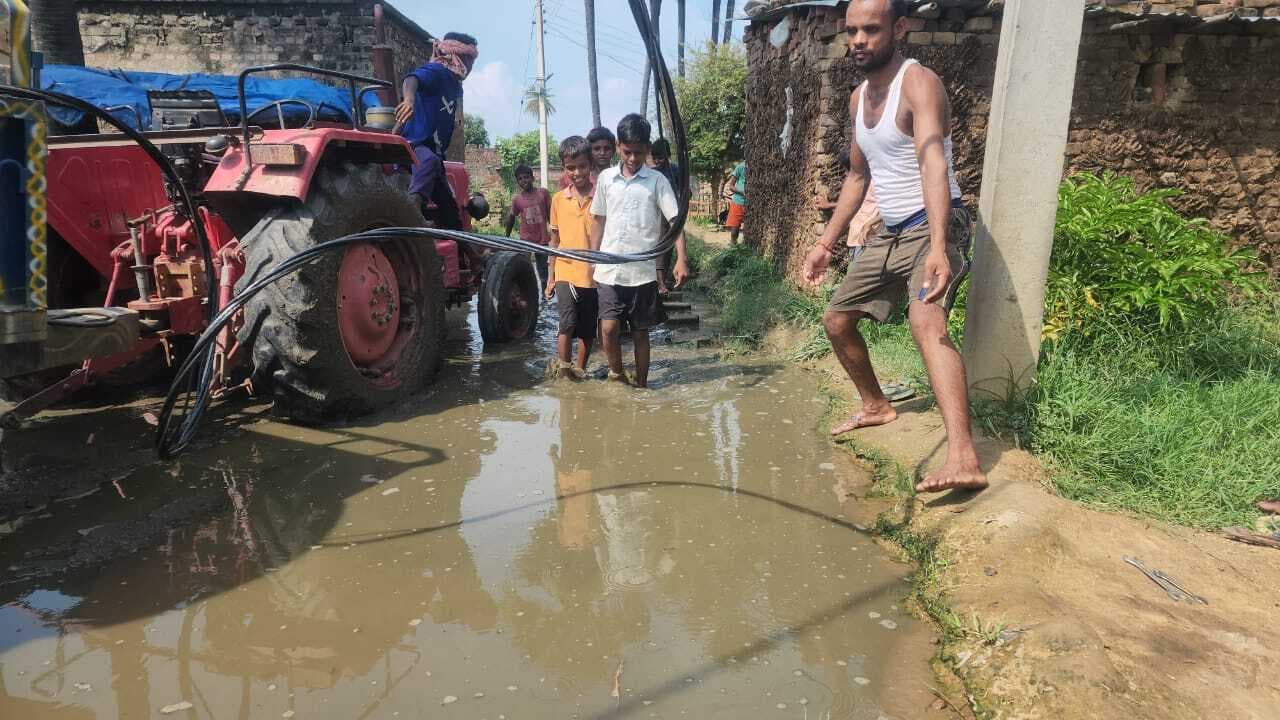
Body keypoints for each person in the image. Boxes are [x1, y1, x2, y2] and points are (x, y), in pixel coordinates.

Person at [802, 0, 986, 494]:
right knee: (837, 319)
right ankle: (876, 406)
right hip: (892, 228)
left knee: (926, 322)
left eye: (870, 30)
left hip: (935, 222)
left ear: (899, 28)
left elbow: (932, 164)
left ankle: (963, 457)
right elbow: (859, 176)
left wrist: (941, 246)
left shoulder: (919, 82)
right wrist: (825, 242)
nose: (858, 40)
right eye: (852, 31)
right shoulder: (858, 98)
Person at [589, 113, 690, 388]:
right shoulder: (607, 179)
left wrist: (681, 258)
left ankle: (642, 384)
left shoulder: (657, 181)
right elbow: (598, 219)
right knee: (608, 328)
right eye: (627, 152)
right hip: (609, 268)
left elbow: (675, 222)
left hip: (642, 273)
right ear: (619, 146)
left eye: (639, 152)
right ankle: (617, 373)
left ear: (647, 148)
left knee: (640, 332)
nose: (633, 158)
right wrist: (591, 257)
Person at [395, 32, 478, 231]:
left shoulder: (455, 86)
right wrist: (409, 100)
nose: (472, 67)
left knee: (450, 210)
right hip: (415, 146)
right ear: (457, 56)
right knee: (429, 161)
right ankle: (412, 213)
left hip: (434, 154)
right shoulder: (437, 72)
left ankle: (472, 257)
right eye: (469, 60)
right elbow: (412, 79)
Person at [545, 137, 599, 379]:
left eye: (582, 166)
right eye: (571, 168)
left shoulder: (601, 195)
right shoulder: (558, 200)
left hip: (593, 274)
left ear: (590, 165)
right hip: (566, 270)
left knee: (588, 329)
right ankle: (564, 372)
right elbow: (554, 242)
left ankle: (581, 369)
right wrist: (550, 277)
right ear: (564, 168)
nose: (577, 173)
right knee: (566, 322)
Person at [505, 163, 553, 286]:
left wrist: (556, 234)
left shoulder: (543, 194)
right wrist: (507, 236)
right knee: (525, 267)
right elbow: (511, 217)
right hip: (525, 241)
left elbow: (551, 215)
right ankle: (529, 293)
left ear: (532, 178)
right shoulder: (517, 199)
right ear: (517, 182)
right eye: (520, 179)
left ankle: (545, 295)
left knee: (543, 270)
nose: (523, 181)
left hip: (542, 240)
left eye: (526, 177)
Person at [650, 138, 684, 292]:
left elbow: (685, 190)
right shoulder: (653, 173)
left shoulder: (675, 170)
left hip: (672, 214)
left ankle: (663, 280)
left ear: (668, 155)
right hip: (657, 215)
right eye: (654, 157)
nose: (657, 161)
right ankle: (660, 283)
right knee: (660, 248)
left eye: (661, 158)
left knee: (669, 247)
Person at [725, 160, 748, 245]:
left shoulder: (758, 167)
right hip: (738, 202)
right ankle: (733, 247)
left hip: (752, 204)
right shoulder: (740, 167)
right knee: (734, 230)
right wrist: (742, 192)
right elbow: (731, 186)